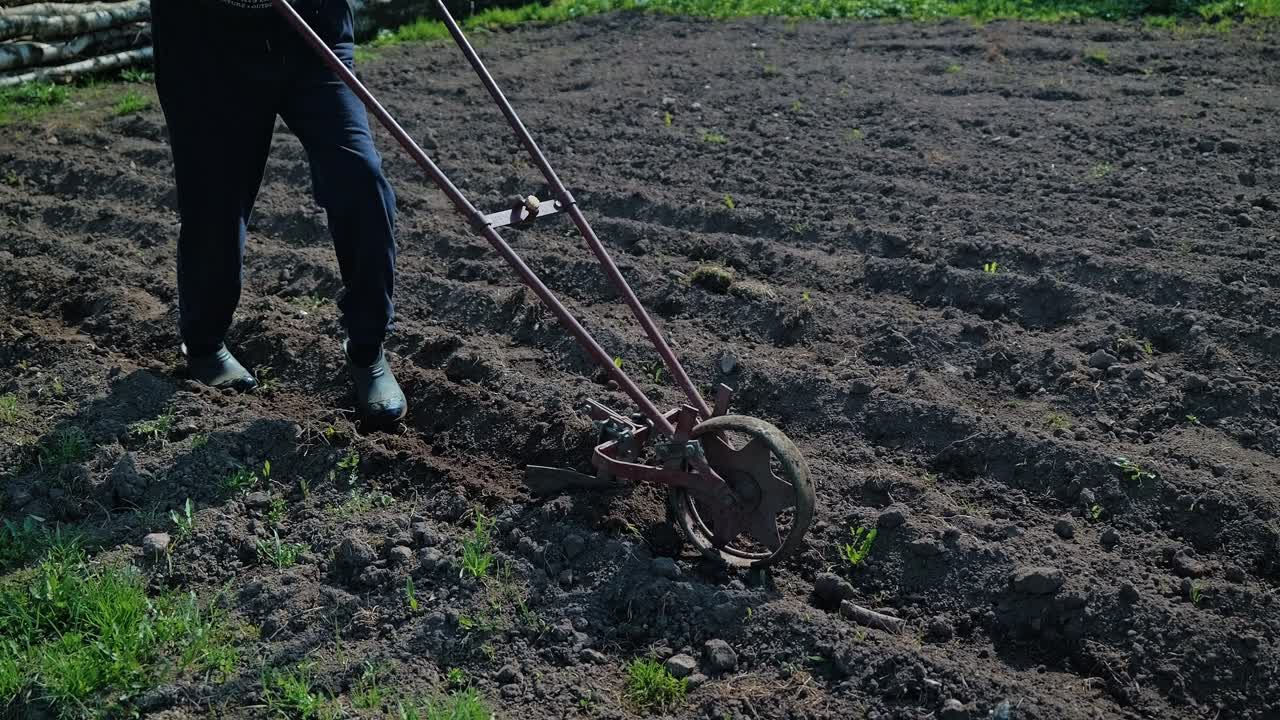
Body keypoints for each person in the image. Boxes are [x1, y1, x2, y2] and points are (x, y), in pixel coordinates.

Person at [151, 0, 407, 424]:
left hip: (311, 24)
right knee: (215, 198)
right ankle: (204, 343)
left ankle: (367, 347)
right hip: (205, 41)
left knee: (360, 179)